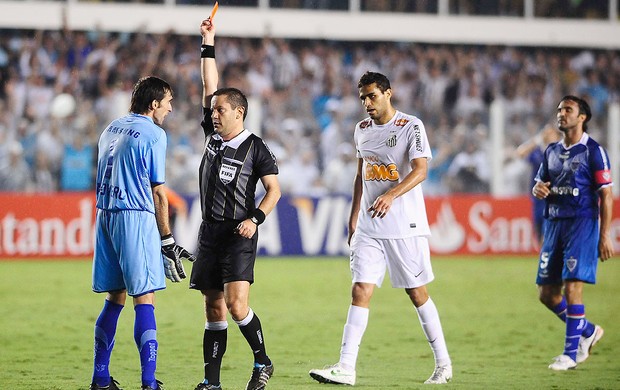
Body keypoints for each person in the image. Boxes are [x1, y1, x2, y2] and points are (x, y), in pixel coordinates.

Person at [309, 71, 452, 385]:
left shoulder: (411, 126)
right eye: (362, 97)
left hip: (404, 224)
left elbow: (421, 170)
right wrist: (353, 215)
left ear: (389, 93)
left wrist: (391, 194)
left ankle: (443, 363)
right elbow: (361, 174)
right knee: (360, 289)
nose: (366, 103)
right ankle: (346, 367)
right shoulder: (361, 129)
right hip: (369, 225)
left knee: (417, 293)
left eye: (372, 95)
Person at [190, 17, 281, 390]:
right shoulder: (213, 136)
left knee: (236, 305)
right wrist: (208, 42)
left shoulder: (256, 147)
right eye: (213, 110)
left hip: (239, 231)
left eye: (220, 110)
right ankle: (212, 383)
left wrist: (256, 218)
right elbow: (209, 83)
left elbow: (274, 190)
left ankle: (262, 363)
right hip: (209, 231)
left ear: (239, 113)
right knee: (213, 308)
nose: (214, 113)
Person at [90, 76, 195, 390]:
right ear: (154, 104)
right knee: (144, 299)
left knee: (114, 297)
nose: (170, 109)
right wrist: (167, 239)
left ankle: (100, 378)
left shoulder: (112, 127)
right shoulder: (153, 133)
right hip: (134, 218)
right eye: (168, 103)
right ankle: (149, 383)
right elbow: (158, 192)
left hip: (105, 214)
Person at [532, 95, 614, 371]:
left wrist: (605, 235)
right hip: (554, 224)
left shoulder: (594, 151)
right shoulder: (551, 151)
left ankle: (570, 354)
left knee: (572, 287)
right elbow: (539, 185)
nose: (561, 114)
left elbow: (607, 195)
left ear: (583, 117)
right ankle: (588, 332)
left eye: (568, 109)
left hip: (582, 224)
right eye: (559, 109)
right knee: (547, 294)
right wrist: (538, 190)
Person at [515, 124, 561, 243]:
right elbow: (520, 153)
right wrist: (537, 140)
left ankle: (550, 255)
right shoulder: (537, 151)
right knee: (538, 228)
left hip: (554, 196)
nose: (548, 135)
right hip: (538, 197)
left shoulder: (561, 151)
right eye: (546, 132)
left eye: (551, 133)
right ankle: (544, 256)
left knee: (550, 228)